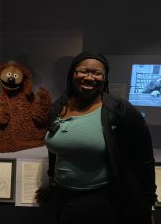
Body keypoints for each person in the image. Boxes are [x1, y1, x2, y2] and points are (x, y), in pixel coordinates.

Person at [35, 52, 157, 224]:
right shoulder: (59, 106)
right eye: (84, 71)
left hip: (98, 196)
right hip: (62, 193)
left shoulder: (120, 111)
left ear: (105, 77)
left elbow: (144, 160)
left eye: (97, 73)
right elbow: (57, 151)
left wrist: (148, 204)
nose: (90, 77)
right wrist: (52, 180)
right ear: (73, 74)